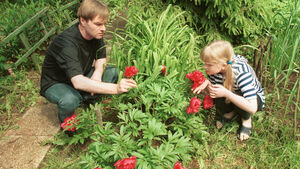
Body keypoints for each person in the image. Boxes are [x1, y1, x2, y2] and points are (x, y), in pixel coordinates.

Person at [40, 0, 137, 131]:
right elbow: (78, 82)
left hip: (80, 74)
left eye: (104, 24)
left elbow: (101, 57)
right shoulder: (66, 43)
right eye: (98, 24)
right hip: (56, 83)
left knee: (112, 72)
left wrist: (96, 75)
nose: (103, 29)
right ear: (83, 21)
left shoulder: (96, 33)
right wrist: (116, 89)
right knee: (70, 100)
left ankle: (87, 98)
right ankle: (68, 128)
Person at [193, 40, 264, 141]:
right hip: (231, 93)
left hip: (253, 99)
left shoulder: (241, 73)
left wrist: (227, 93)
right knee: (219, 94)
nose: (204, 67)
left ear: (223, 65)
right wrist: (208, 84)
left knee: (235, 96)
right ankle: (232, 111)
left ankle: (246, 119)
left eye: (208, 64)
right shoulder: (215, 71)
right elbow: (215, 91)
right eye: (204, 63)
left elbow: (253, 107)